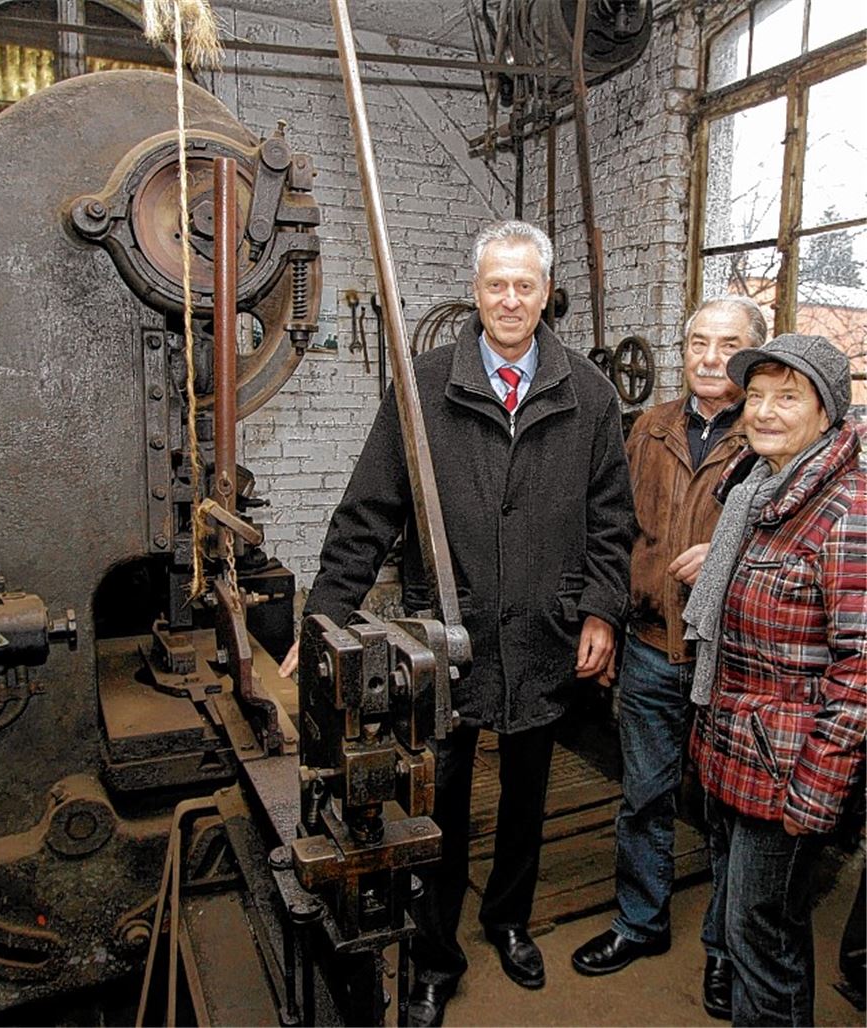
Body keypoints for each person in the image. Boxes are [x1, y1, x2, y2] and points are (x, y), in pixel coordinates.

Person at [280, 220, 634, 1027]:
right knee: (436, 805)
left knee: (525, 800)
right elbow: (366, 514)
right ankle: (434, 960)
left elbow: (613, 519)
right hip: (449, 638)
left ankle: (508, 922)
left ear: (548, 293)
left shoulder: (589, 394)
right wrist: (324, 616)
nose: (510, 300)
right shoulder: (423, 386)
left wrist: (601, 610)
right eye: (495, 285)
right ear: (474, 292)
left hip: (544, 636)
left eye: (525, 285)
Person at [571, 296, 767, 1022]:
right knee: (644, 798)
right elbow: (616, 531)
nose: (709, 358)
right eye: (696, 343)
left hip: (735, 661)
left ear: (751, 352)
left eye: (727, 344)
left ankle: (725, 951)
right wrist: (611, 622)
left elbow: (796, 536)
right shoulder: (649, 427)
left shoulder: (771, 433)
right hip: (654, 647)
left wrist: (727, 553)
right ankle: (641, 924)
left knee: (727, 816)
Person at [683, 334, 866, 1027]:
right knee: (747, 931)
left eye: (787, 396)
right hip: (742, 753)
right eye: (755, 395)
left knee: (764, 941)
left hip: (787, 774)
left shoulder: (845, 512)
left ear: (827, 413)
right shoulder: (762, 489)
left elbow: (860, 673)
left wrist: (815, 795)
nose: (763, 410)